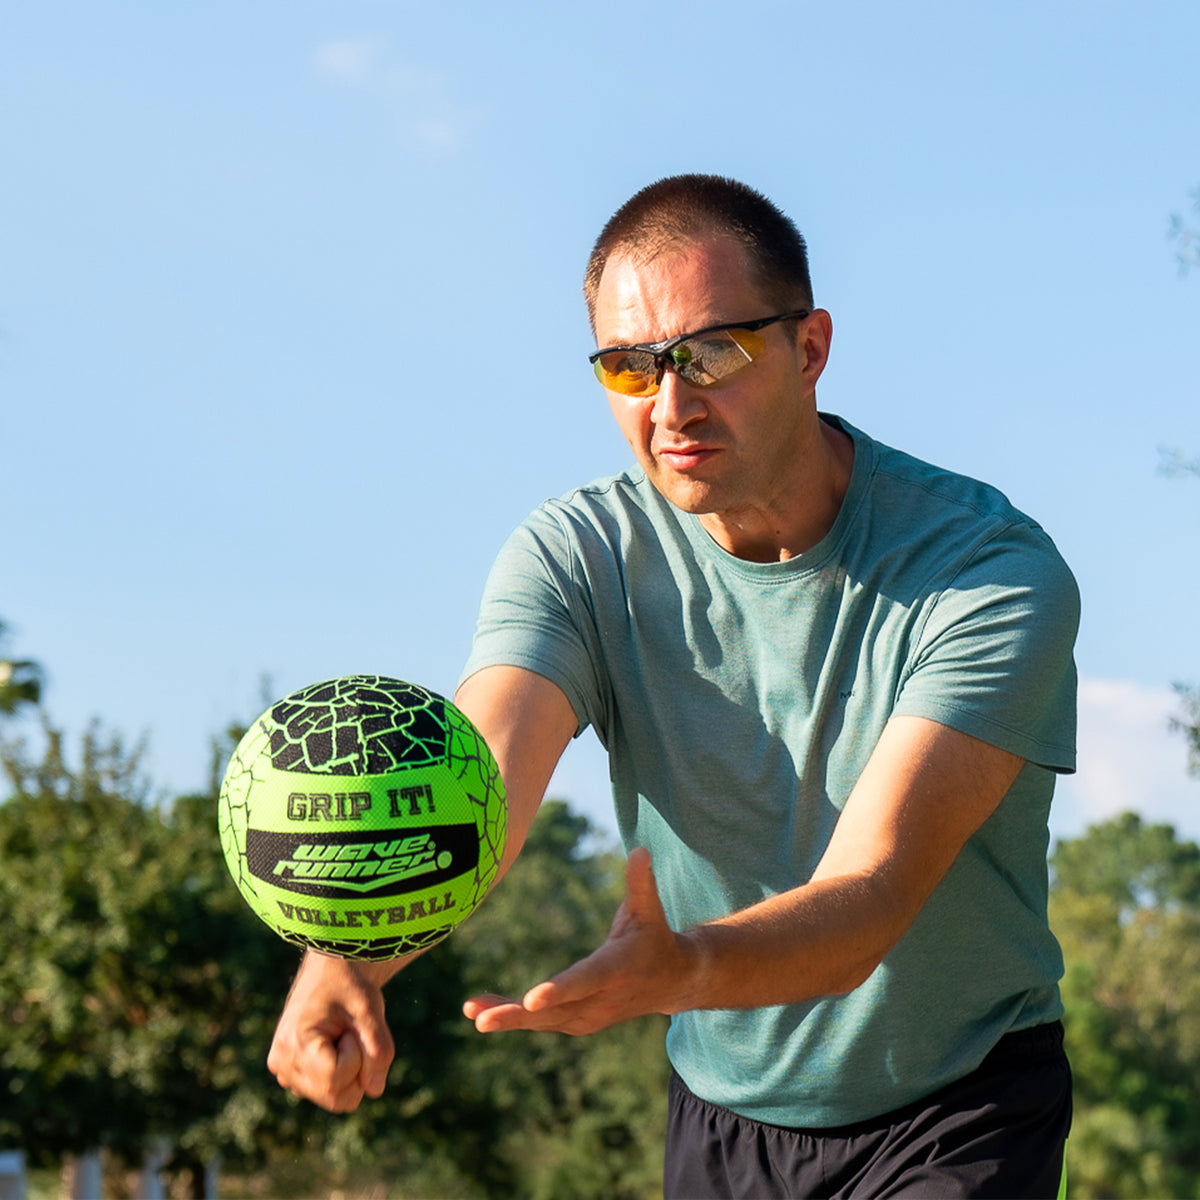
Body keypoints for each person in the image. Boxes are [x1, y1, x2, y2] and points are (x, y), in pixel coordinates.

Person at [268, 174, 1078, 1198]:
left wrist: (683, 969)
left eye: (710, 353)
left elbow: (870, 898)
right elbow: (472, 782)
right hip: (722, 1111)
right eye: (628, 366)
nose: (670, 405)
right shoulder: (578, 557)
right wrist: (353, 949)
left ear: (811, 347)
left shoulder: (985, 572)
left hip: (958, 1102)